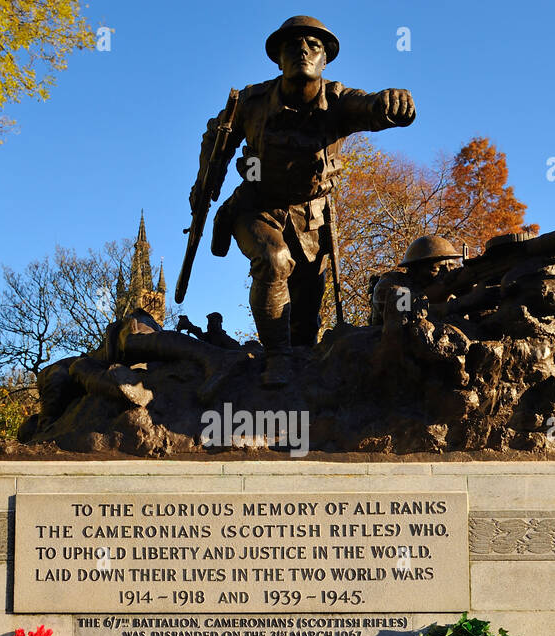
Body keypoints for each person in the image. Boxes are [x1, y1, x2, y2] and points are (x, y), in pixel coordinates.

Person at [192, 15, 415, 385]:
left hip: (311, 218)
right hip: (257, 207)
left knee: (307, 315)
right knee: (273, 260)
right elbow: (216, 137)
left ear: (325, 60)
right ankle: (276, 358)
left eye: (314, 46)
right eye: (292, 46)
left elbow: (372, 108)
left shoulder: (339, 101)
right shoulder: (252, 102)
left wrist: (391, 102)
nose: (303, 51)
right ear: (278, 59)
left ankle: (297, 377)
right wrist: (202, 184)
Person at [369, 235, 463, 329]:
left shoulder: (452, 297)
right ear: (414, 268)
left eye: (451, 267)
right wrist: (457, 301)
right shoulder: (392, 282)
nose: (447, 273)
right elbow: (406, 313)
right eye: (435, 269)